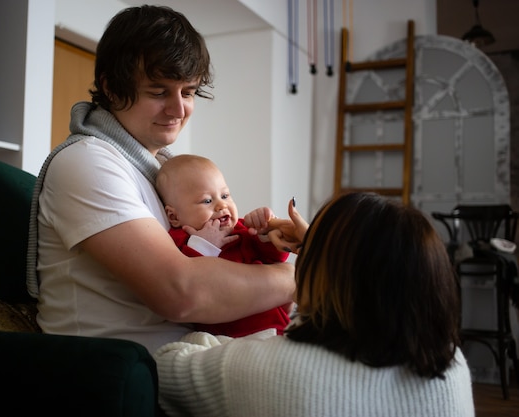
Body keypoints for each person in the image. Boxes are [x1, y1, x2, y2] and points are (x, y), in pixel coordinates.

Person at [25, 5, 295, 354]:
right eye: (158, 92)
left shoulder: (161, 172)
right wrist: (303, 280)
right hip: (119, 368)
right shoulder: (87, 161)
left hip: (193, 350)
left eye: (188, 92)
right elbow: (181, 293)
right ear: (110, 87)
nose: (178, 110)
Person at [154, 192, 475, 417]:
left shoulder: (267, 369)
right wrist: (318, 249)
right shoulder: (450, 362)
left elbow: (167, 366)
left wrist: (232, 342)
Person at [155, 154, 291, 337]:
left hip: (277, 327)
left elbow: (274, 258)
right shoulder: (181, 240)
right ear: (174, 217)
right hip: (231, 337)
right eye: (207, 201)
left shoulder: (241, 230)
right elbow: (188, 279)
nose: (222, 205)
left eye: (225, 195)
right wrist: (204, 244)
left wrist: (265, 232)